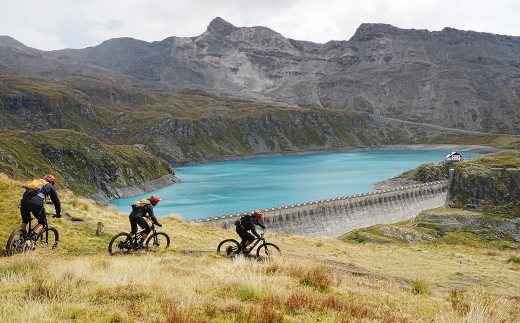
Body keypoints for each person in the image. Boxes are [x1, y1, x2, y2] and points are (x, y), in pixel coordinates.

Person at [19, 174, 61, 241]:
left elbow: (25, 193)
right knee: (42, 222)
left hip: (24, 202)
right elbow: (56, 202)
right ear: (52, 182)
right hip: (37, 203)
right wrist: (58, 213)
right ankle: (32, 241)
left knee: (25, 220)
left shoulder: (36, 182)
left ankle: (21, 239)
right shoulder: (50, 186)